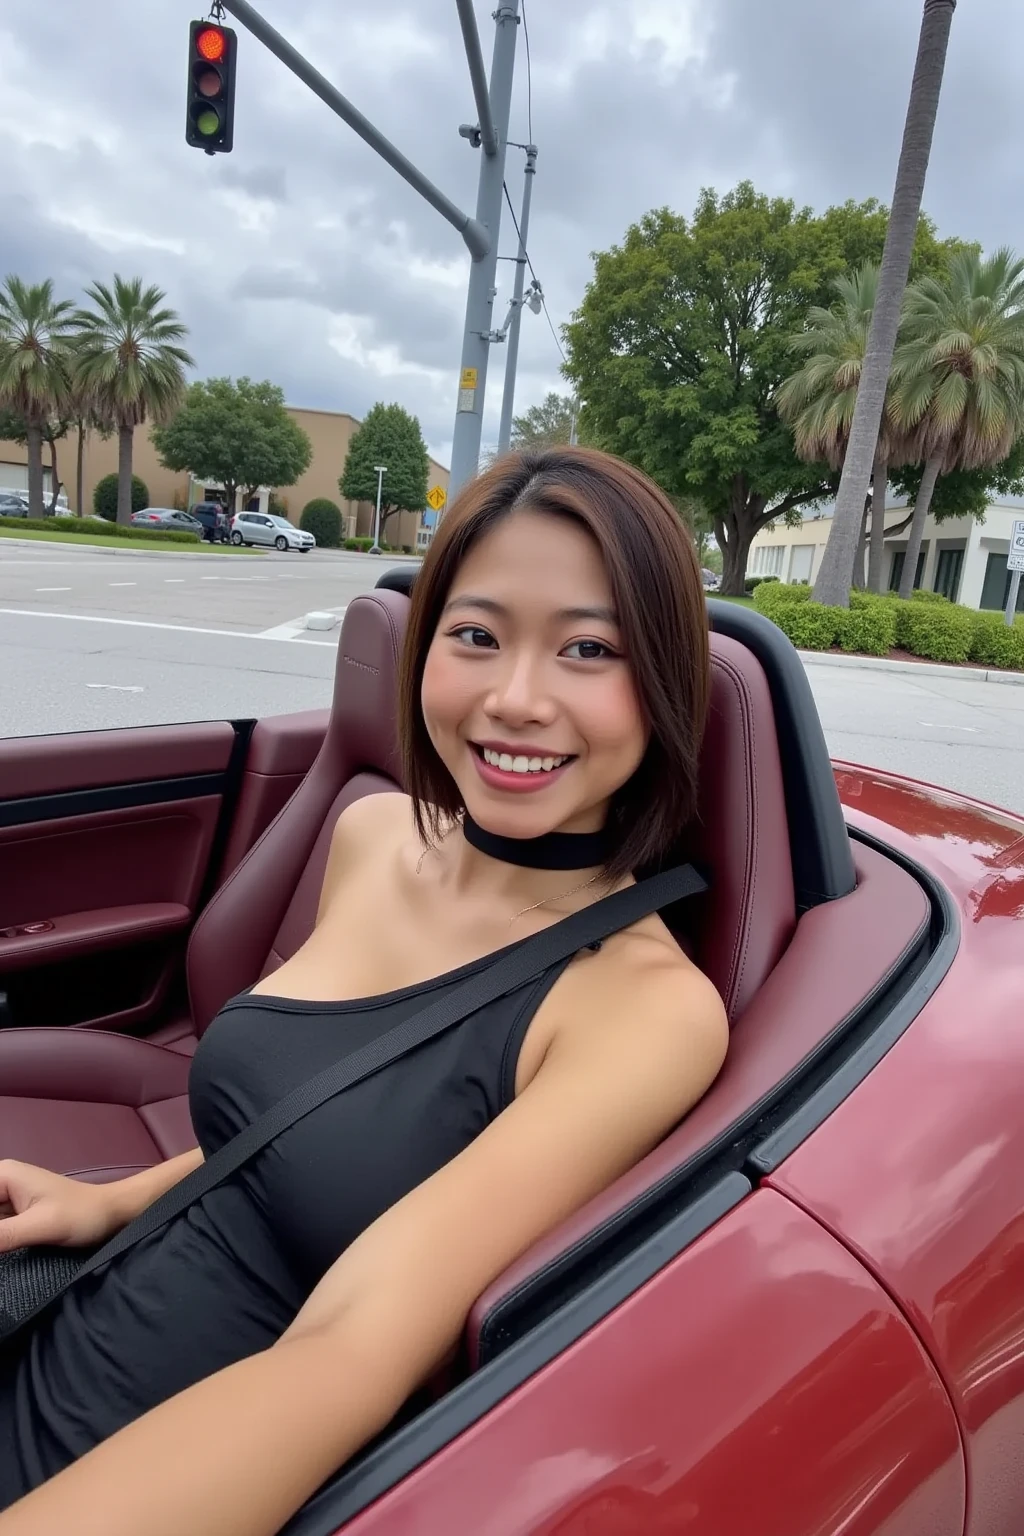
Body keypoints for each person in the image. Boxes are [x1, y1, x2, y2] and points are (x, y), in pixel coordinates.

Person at [0, 446, 729, 1536]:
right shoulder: (374, 833)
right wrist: (103, 1203)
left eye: (588, 649)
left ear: (663, 679)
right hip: (71, 1311)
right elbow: (319, 1122)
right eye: (474, 635)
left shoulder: (639, 1010)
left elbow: (350, 1351)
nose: (514, 698)